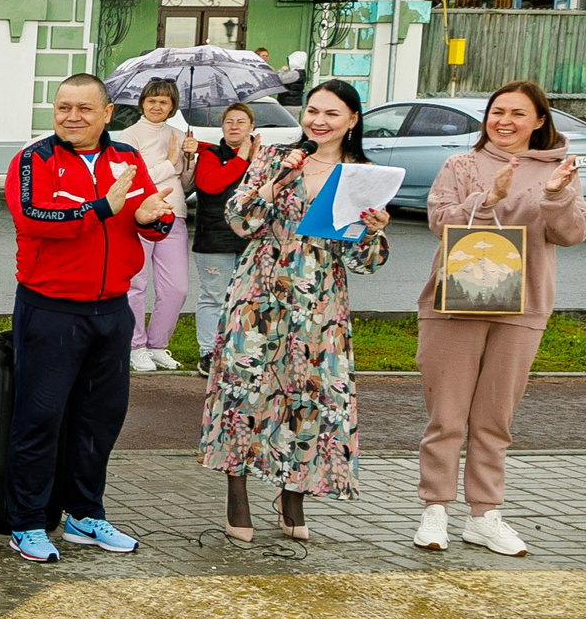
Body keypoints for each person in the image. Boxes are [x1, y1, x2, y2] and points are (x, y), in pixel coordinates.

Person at [198, 81, 391, 543]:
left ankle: (293, 496)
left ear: (352, 120)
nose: (318, 121)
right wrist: (274, 181)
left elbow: (364, 262)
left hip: (319, 300)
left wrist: (372, 232)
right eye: (311, 111)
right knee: (244, 392)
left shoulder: (361, 174)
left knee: (309, 398)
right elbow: (240, 220)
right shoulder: (273, 158)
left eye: (331, 113)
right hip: (258, 290)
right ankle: (237, 495)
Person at [2, 71, 174, 564]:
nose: (71, 117)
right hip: (51, 309)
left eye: (83, 109)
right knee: (39, 420)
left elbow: (152, 216)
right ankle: (28, 523)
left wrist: (153, 218)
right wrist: (103, 207)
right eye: (63, 108)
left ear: (105, 114)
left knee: (99, 421)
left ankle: (83, 515)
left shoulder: (127, 158)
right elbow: (33, 217)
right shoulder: (34, 159)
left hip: (112, 310)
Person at [414, 80, 586, 556]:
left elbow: (573, 233)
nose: (505, 121)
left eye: (517, 113)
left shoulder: (560, 170)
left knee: (495, 418)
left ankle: (485, 514)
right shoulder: (461, 165)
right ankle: (435, 509)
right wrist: (486, 198)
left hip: (523, 307)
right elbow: (438, 221)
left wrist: (556, 196)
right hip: (456, 302)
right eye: (497, 112)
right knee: (447, 414)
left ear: (539, 121)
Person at [119, 77, 195, 372]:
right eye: (151, 100)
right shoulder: (128, 136)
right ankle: (134, 346)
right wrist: (170, 161)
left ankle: (158, 344)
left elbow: (186, 184)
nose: (156, 106)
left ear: (172, 106)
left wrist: (189, 159)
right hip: (138, 216)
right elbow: (133, 179)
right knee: (136, 284)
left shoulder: (179, 134)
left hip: (173, 214)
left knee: (176, 288)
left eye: (163, 102)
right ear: (142, 103)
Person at [188, 102, 256, 372]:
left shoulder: (261, 158)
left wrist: (253, 158)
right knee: (214, 297)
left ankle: (240, 351)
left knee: (248, 299)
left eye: (241, 121)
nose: (234, 126)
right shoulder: (211, 156)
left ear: (252, 127)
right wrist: (241, 160)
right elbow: (209, 184)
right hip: (214, 240)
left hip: (251, 239)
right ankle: (209, 353)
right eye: (229, 121)